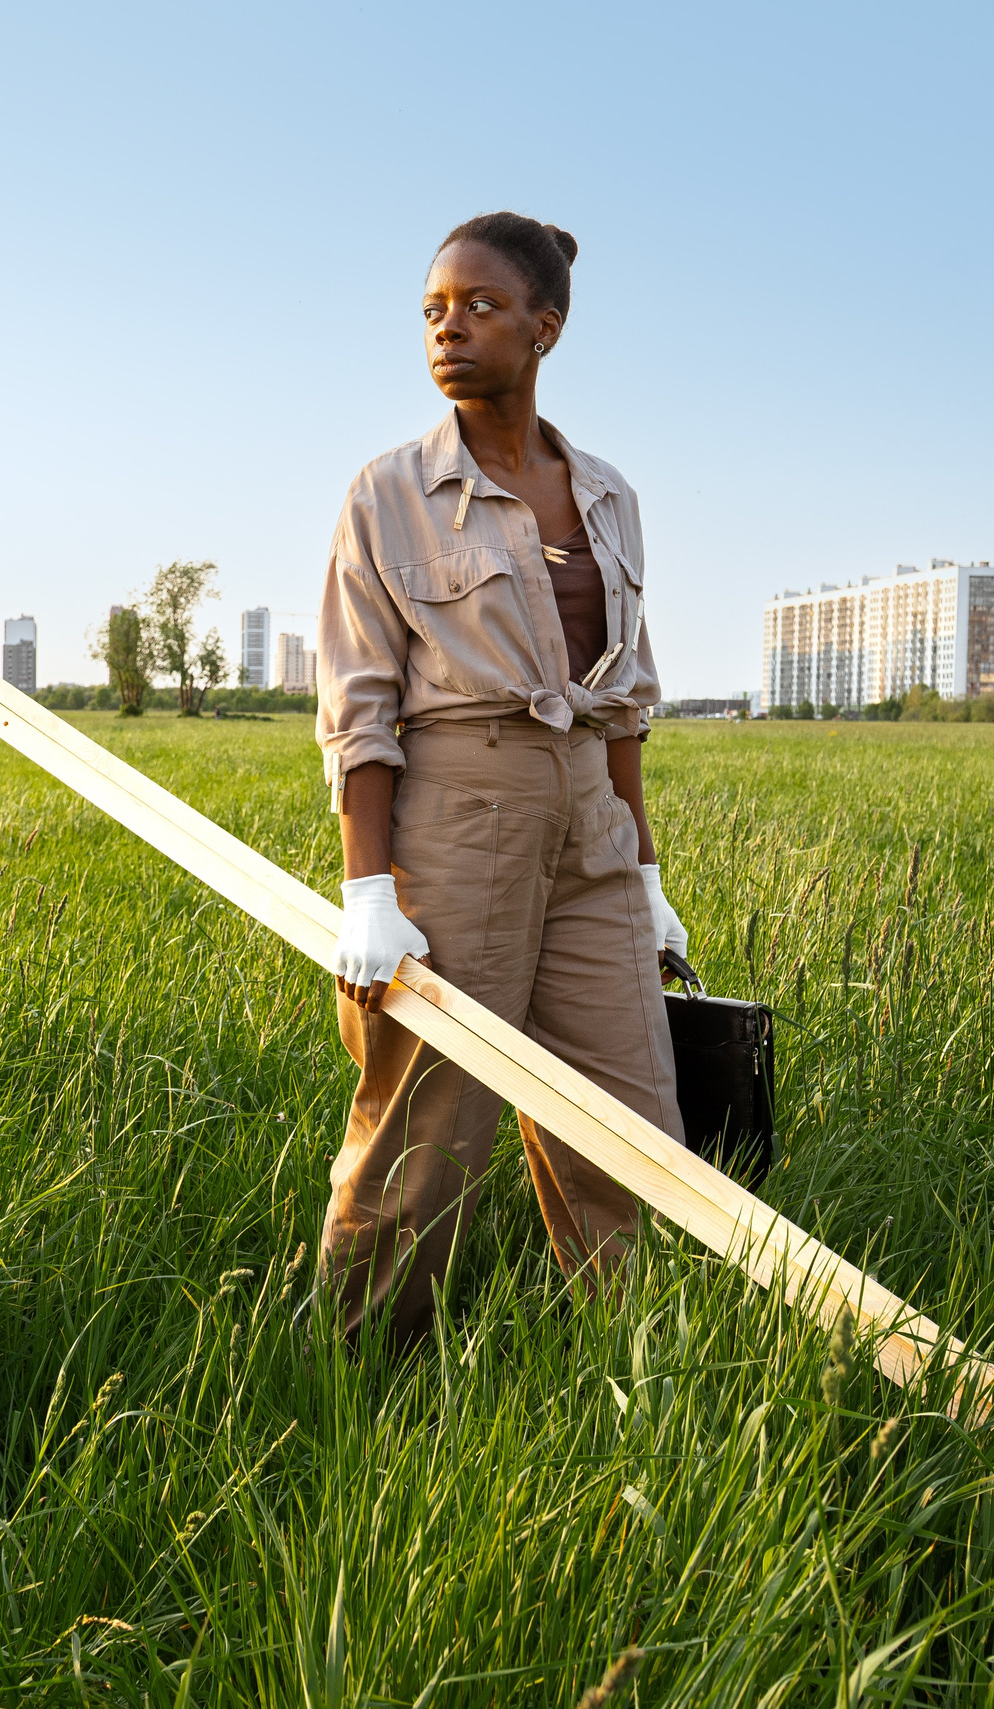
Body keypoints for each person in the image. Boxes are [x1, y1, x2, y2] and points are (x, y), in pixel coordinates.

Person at [313, 211, 690, 1344]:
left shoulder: (610, 494)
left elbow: (622, 700)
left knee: (629, 1116)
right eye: (432, 310)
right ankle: (358, 1360)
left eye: (479, 307)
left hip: (591, 827)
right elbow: (358, 705)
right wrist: (368, 889)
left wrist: (647, 865)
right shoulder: (389, 492)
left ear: (545, 328)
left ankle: (624, 1361)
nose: (449, 329)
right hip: (457, 820)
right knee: (429, 1122)